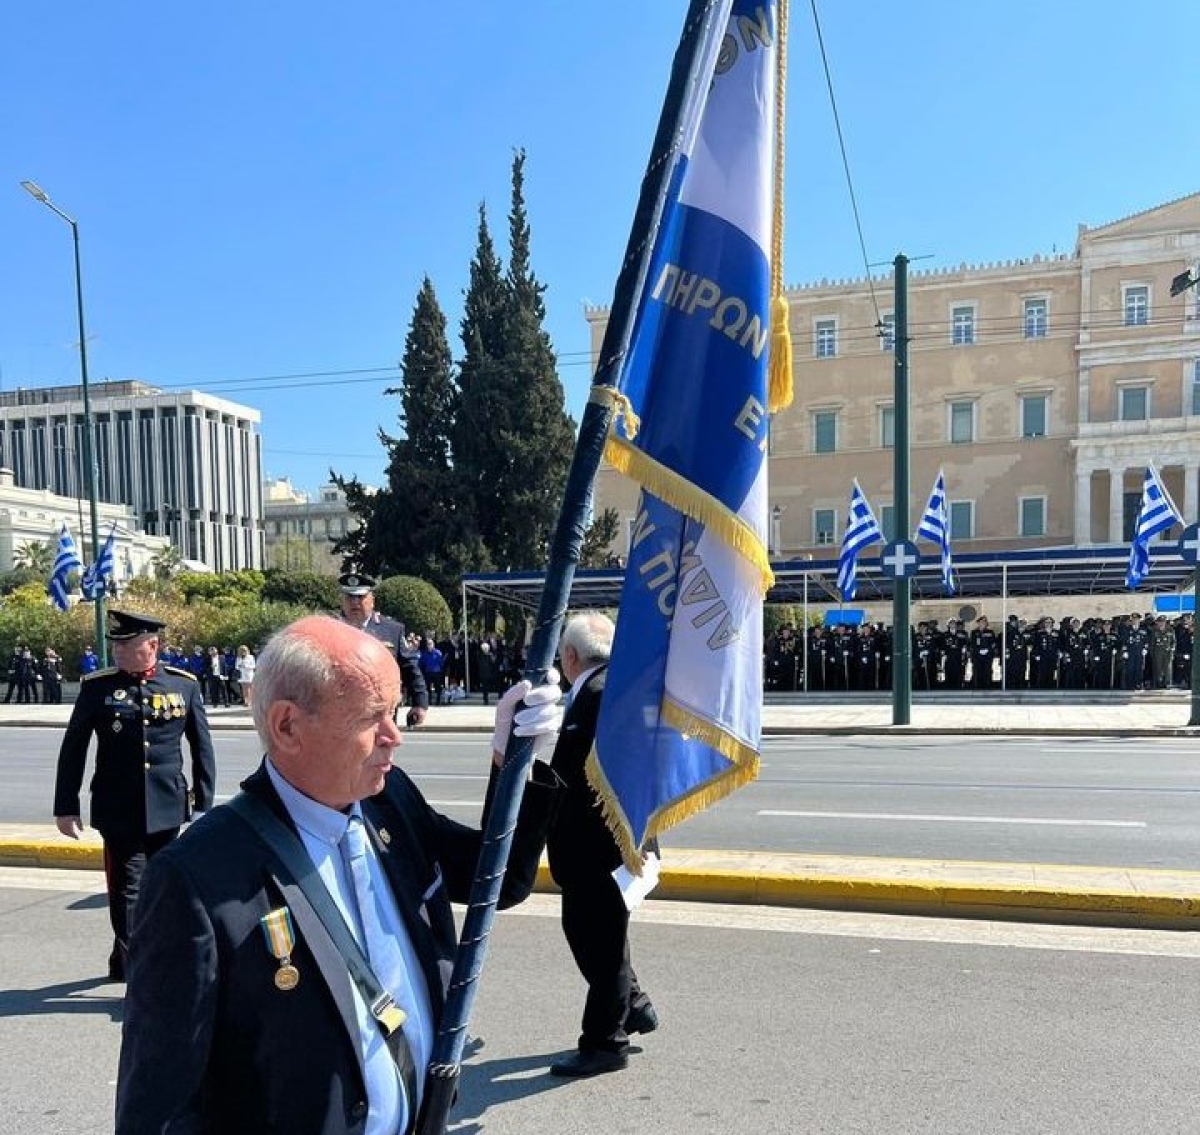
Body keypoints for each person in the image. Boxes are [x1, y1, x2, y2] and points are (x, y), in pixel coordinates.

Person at [115, 615, 563, 1135]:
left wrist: (515, 763)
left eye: (393, 712)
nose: (394, 737)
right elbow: (159, 1108)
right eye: (372, 718)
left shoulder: (390, 801)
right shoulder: (199, 876)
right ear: (287, 726)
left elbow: (498, 882)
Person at [53, 609, 215, 982]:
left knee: (161, 885)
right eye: (116, 644)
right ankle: (140, 964)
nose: (118, 651)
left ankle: (127, 954)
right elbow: (74, 746)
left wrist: (204, 804)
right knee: (127, 887)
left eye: (127, 644)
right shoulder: (98, 687)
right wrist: (66, 806)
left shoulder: (183, 685)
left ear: (152, 645)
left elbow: (201, 748)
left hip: (167, 806)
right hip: (118, 808)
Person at [546, 611, 657, 1078]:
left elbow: (564, 775)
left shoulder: (595, 694)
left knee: (600, 942)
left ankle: (605, 1044)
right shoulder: (622, 685)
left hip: (598, 845)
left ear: (569, 656)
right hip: (622, 838)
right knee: (598, 935)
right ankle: (634, 1004)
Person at [336, 571, 430, 726]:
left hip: (380, 712)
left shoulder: (392, 630)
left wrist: (420, 703)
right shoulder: (330, 628)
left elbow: (409, 668)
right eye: (349, 597)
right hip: (341, 712)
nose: (354, 602)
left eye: (360, 597)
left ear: (372, 600)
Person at [235, 643, 257, 709]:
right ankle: (246, 702)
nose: (243, 652)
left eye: (244, 650)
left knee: (251, 689)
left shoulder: (251, 657)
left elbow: (254, 666)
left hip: (249, 674)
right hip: (242, 675)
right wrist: (239, 666)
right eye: (241, 650)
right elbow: (236, 667)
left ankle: (252, 702)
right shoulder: (238, 658)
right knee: (244, 690)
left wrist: (246, 666)